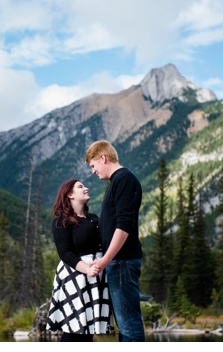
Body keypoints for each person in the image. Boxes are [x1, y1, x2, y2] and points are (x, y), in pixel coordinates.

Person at [86, 140, 145, 342]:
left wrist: (105, 260)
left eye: (93, 165)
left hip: (122, 262)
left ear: (103, 158)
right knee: (125, 324)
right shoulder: (118, 181)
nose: (93, 171)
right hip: (119, 262)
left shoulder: (124, 179)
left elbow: (124, 226)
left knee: (129, 325)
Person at [46, 179, 111, 342]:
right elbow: (65, 253)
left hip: (96, 276)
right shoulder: (62, 221)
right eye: (80, 187)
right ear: (70, 195)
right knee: (74, 327)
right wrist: (87, 269)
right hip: (75, 275)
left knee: (88, 329)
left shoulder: (94, 218)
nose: (86, 188)